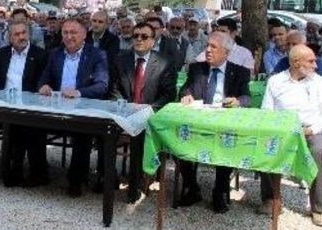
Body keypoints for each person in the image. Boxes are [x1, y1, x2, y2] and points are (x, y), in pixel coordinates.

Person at [179, 31, 252, 213]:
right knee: (179, 140)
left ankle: (219, 190)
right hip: (199, 122)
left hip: (224, 124)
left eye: (213, 47)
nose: (208, 50)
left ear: (226, 53)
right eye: (207, 46)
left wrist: (237, 101)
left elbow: (246, 97)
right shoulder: (197, 68)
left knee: (227, 143)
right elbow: (185, 88)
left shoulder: (240, 72)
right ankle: (191, 187)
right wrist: (186, 95)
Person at [261, 44, 322, 227]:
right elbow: (267, 112)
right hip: (283, 129)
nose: (315, 65)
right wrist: (280, 129)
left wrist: (311, 130)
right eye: (310, 62)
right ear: (295, 63)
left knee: (319, 150)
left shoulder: (318, 81)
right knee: (267, 144)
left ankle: (317, 207)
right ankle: (271, 199)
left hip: (310, 129)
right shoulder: (276, 81)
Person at [38, 18, 109, 197]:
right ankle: (38, 173)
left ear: (84, 35)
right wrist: (44, 85)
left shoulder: (97, 55)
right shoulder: (55, 54)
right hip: (55, 107)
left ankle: (75, 180)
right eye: (65, 33)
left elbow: (102, 85)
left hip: (81, 108)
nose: (69, 37)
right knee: (33, 126)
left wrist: (78, 92)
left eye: (73, 33)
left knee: (82, 134)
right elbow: (44, 77)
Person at [110, 21, 177, 196]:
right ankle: (107, 177)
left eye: (144, 36)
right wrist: (124, 108)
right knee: (106, 131)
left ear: (153, 41)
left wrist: (147, 111)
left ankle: (135, 185)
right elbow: (114, 89)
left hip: (149, 116)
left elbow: (168, 95)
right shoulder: (120, 59)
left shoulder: (164, 63)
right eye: (136, 36)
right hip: (123, 113)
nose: (139, 39)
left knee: (138, 134)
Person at [0, 20, 49, 187]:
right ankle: (13, 170)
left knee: (29, 126)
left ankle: (36, 173)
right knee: (12, 126)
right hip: (5, 104)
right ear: (10, 38)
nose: (21, 37)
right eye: (16, 34)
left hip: (31, 104)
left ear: (29, 34)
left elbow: (44, 81)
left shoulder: (40, 55)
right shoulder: (2, 54)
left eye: (24, 33)